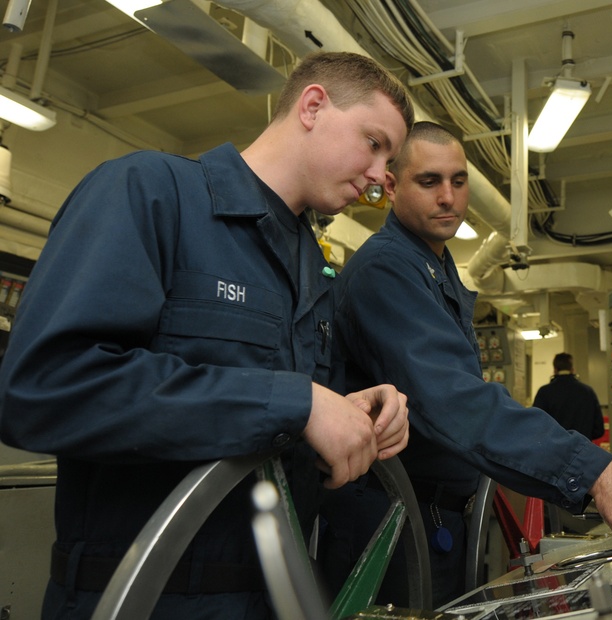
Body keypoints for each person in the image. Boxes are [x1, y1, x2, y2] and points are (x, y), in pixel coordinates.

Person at [0, 52, 414, 619]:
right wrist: (295, 403)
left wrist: (349, 416)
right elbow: (43, 387)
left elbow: (279, 428)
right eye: (374, 143)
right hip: (144, 598)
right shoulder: (150, 192)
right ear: (313, 106)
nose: (378, 179)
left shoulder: (314, 272)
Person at [324, 121, 612, 608]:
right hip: (393, 523)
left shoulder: (433, 269)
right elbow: (456, 404)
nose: (448, 196)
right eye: (429, 181)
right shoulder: (386, 270)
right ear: (391, 185)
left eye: (459, 180)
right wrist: (597, 473)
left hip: (436, 519)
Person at [532, 353, 606, 441]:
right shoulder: (588, 392)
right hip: (582, 450)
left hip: (555, 451)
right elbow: (599, 430)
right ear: (572, 370)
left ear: (555, 370)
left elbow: (536, 425)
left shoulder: (544, 392)